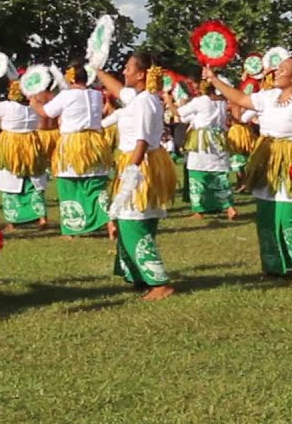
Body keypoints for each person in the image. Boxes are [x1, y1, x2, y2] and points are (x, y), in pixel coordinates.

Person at [206, 57, 292, 282]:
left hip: (290, 159)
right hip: (266, 158)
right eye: (278, 69)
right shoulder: (269, 97)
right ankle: (273, 267)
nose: (276, 72)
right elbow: (240, 98)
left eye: (283, 70)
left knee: (288, 216)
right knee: (266, 216)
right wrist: (214, 79)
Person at [96, 54, 177, 300]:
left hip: (139, 164)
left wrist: (129, 175)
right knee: (137, 221)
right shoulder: (141, 97)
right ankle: (140, 277)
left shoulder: (144, 102)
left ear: (141, 74)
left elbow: (141, 142)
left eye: (128, 68)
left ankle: (160, 284)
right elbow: (118, 90)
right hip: (141, 162)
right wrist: (97, 69)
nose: (124, 71)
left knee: (132, 222)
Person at [30, 64, 112, 238]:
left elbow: (47, 113)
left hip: (73, 143)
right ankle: (109, 220)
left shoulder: (67, 95)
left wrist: (34, 102)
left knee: (68, 183)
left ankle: (71, 230)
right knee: (95, 183)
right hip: (95, 142)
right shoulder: (96, 95)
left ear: (72, 78)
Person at [0, 79, 48, 231]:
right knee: (32, 178)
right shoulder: (34, 106)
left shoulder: (8, 107)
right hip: (31, 144)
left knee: (10, 178)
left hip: (11, 146)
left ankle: (13, 221)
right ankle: (41, 216)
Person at [167, 80, 235, 220]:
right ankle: (229, 207)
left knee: (197, 172)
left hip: (202, 141)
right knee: (219, 172)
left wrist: (168, 100)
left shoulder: (200, 101)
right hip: (218, 139)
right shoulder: (221, 101)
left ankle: (199, 211)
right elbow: (188, 118)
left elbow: (177, 112)